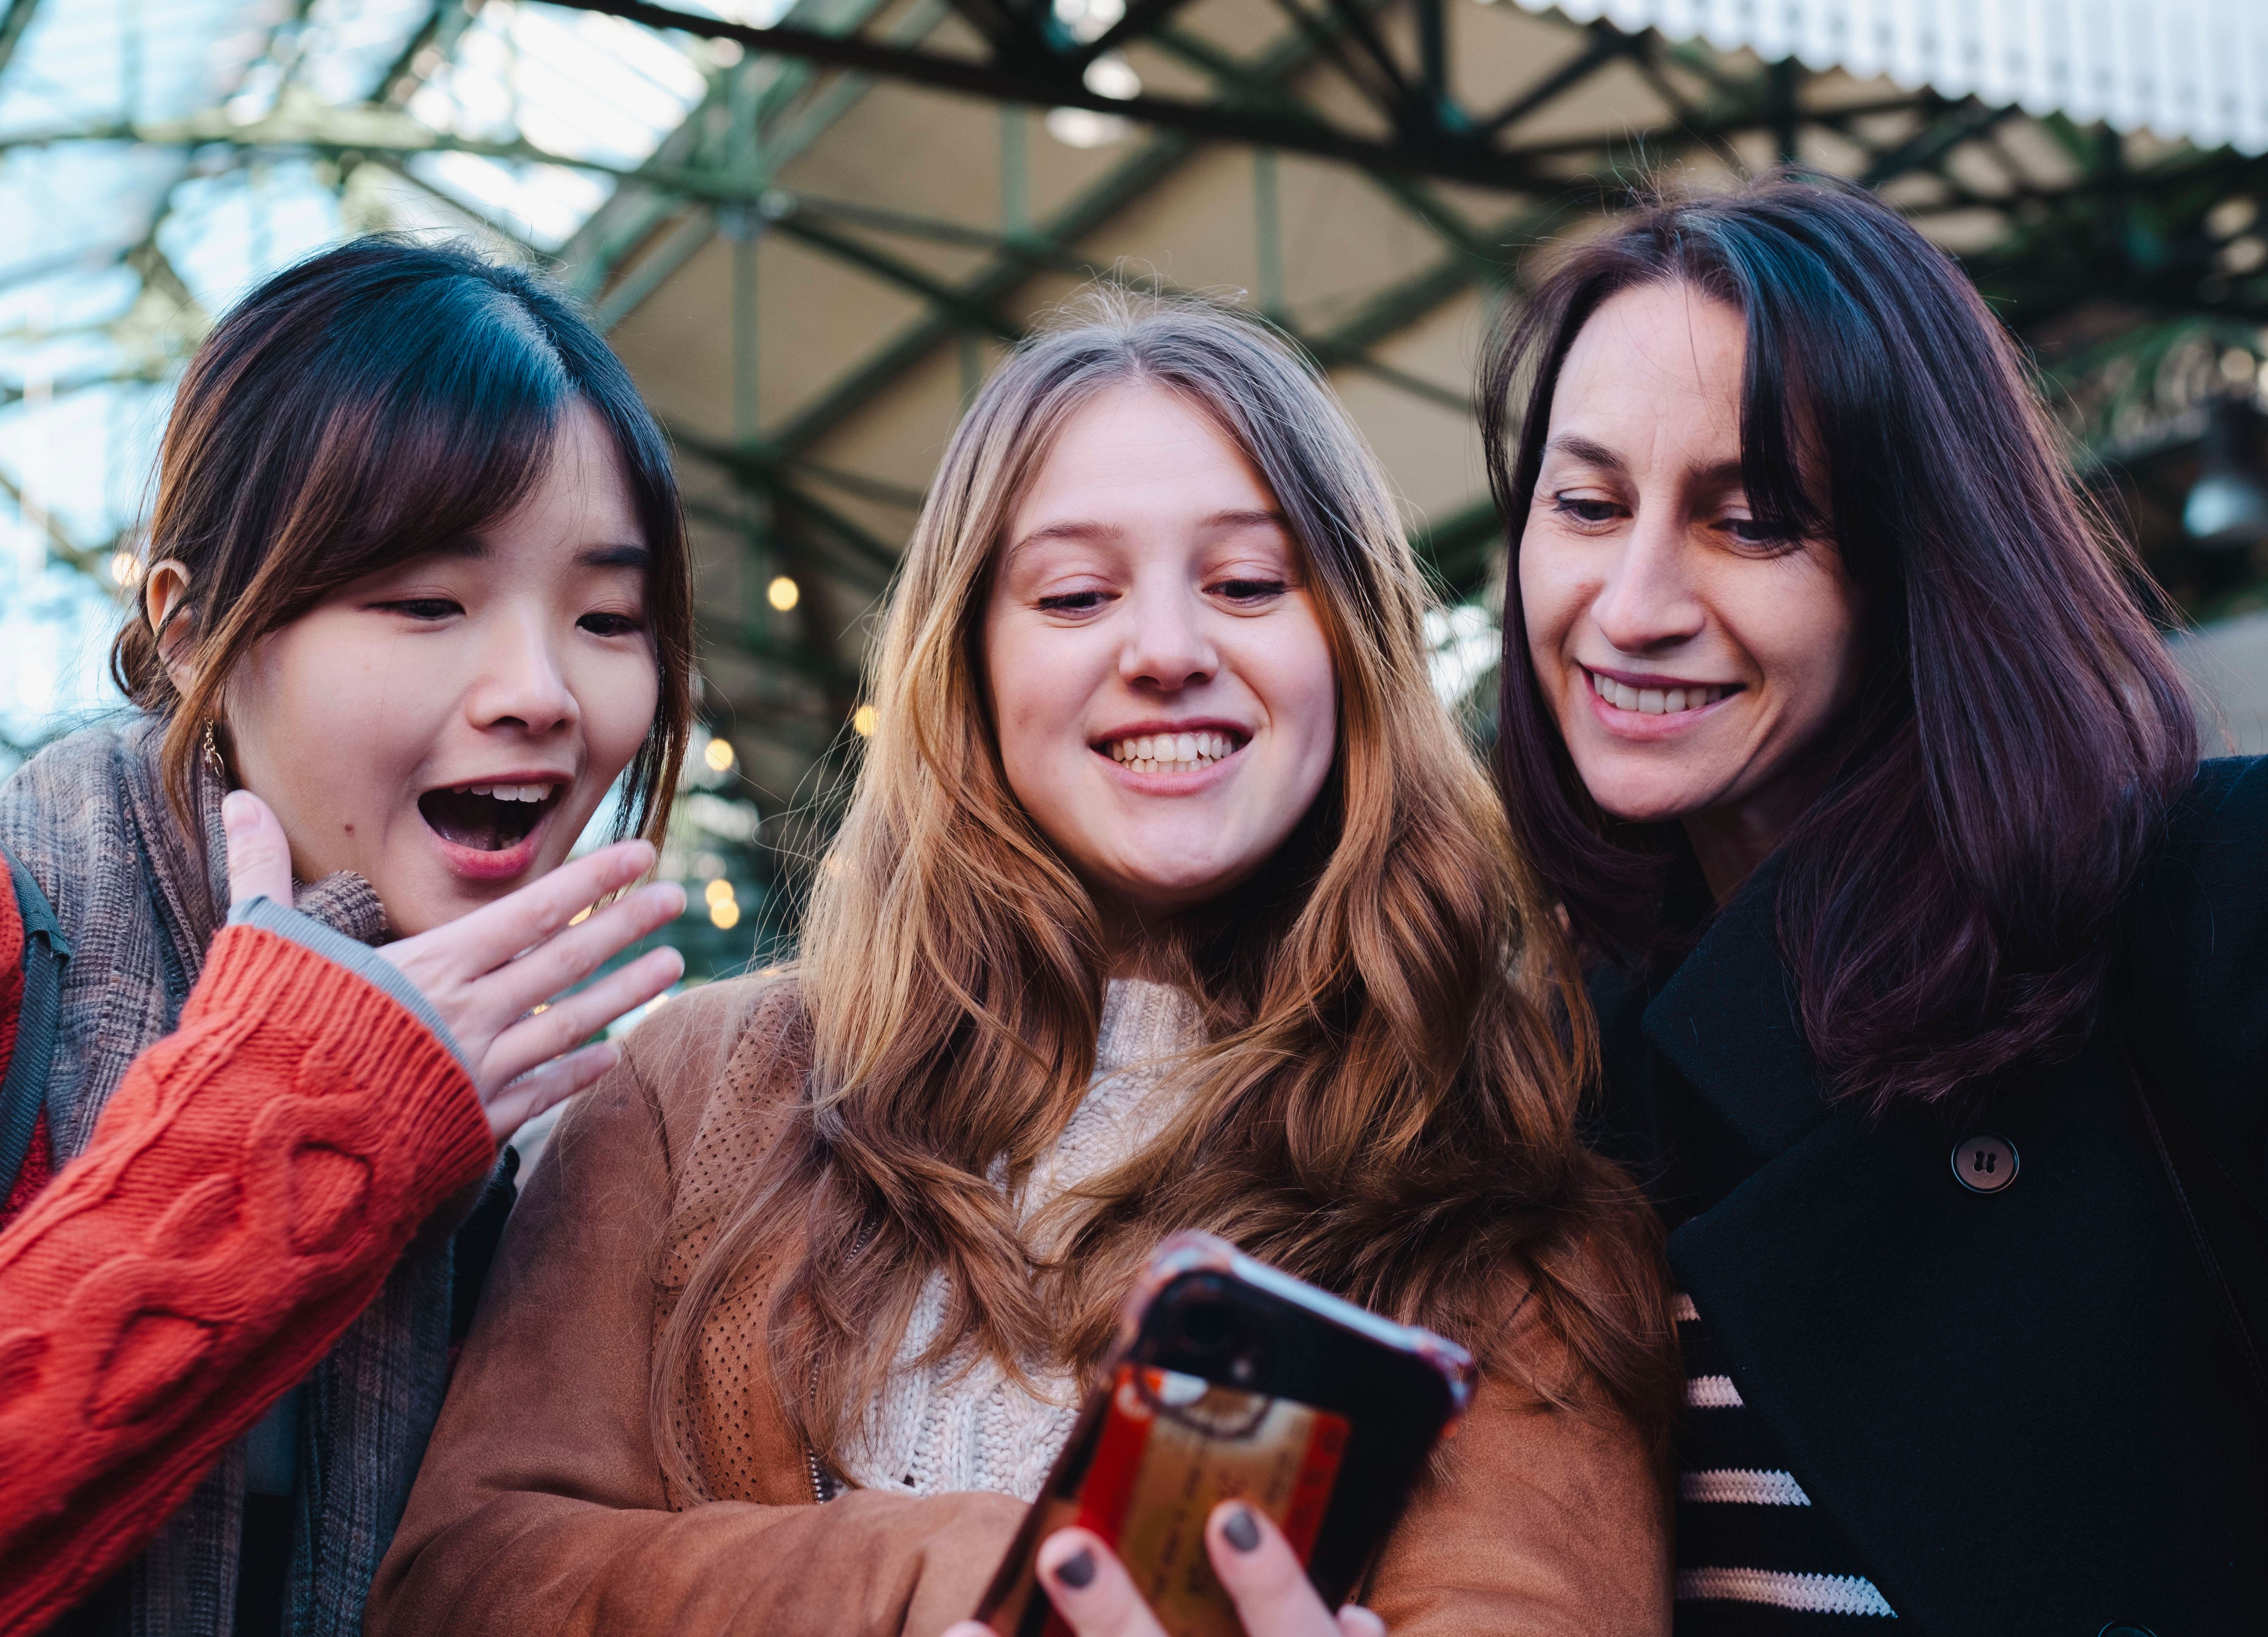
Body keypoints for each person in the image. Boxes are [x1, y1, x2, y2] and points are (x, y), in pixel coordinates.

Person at [372, 291, 1676, 1637]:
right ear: (971, 661)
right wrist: (946, 1570)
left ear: (1352, 647)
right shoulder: (689, 1090)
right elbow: (463, 1583)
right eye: (1073, 594)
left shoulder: (1522, 1196)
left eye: (1244, 584)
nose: (1167, 652)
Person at [0, 236, 696, 1637]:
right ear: (190, 630)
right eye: (426, 603)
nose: (541, 691)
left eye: (607, 617)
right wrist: (305, 1111)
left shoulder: (545, 1143)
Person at [1482, 173, 2268, 1633]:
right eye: (1585, 504)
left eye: (1755, 520)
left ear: (1923, 556)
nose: (1635, 600)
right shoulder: (1573, 1089)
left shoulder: (2212, 911)